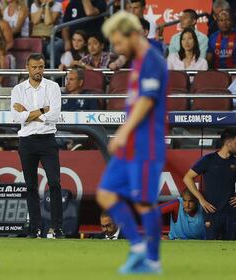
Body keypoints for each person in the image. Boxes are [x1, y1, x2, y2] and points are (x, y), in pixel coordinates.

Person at [96, 11, 167, 274]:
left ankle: (153, 261)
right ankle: (137, 247)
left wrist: (124, 131)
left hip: (146, 144)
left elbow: (147, 102)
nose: (116, 48)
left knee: (144, 202)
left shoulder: (152, 61)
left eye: (118, 42)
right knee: (105, 193)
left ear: (133, 34)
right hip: (130, 145)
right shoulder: (137, 61)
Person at [11, 53, 63, 239]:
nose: (38, 71)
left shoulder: (53, 86)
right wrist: (42, 110)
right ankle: (35, 228)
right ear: (27, 67)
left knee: (55, 183)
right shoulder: (18, 89)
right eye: (34, 67)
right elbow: (17, 118)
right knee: (31, 186)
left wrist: (29, 113)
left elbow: (54, 115)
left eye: (41, 67)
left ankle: (57, 228)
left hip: (47, 139)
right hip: (26, 141)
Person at [183, 129, 236, 240]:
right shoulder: (208, 160)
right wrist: (201, 200)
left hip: (231, 212)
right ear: (228, 143)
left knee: (232, 247)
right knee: (211, 246)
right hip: (211, 212)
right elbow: (187, 178)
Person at [30, 0, 62, 65]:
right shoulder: (34, 5)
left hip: (53, 38)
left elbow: (48, 22)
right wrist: (42, 6)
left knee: (49, 48)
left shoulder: (57, 5)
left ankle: (54, 69)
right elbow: (35, 21)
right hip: (37, 37)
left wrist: (47, 6)